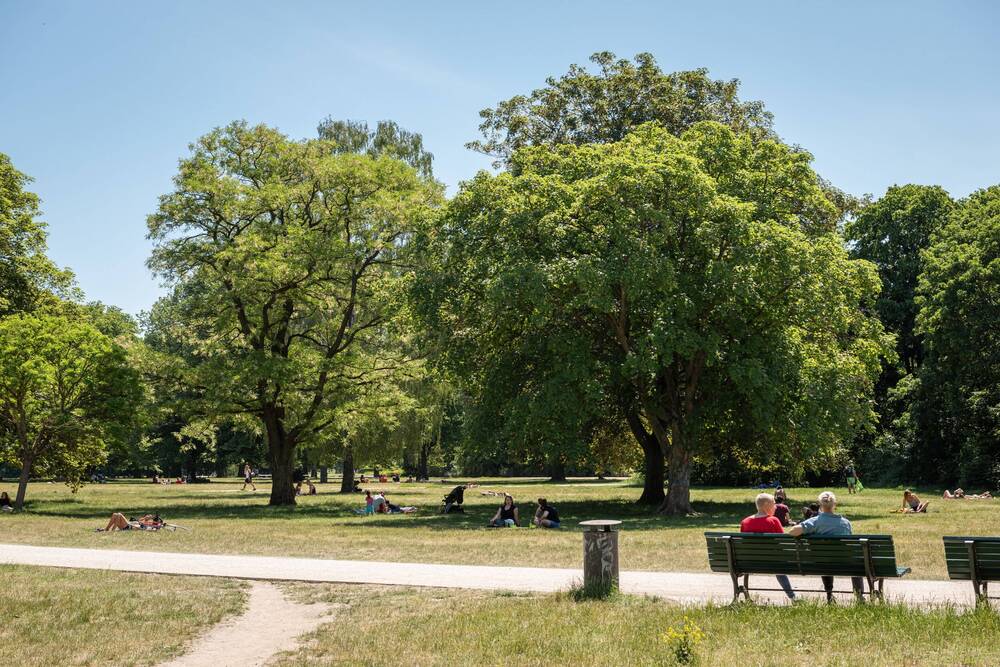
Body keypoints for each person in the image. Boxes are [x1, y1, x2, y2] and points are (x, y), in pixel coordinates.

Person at [787, 491, 864, 601]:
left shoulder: (815, 521)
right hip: (844, 563)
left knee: (824, 558)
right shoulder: (846, 523)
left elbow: (792, 531)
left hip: (822, 563)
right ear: (835, 504)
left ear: (820, 505)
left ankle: (829, 594)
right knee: (855, 564)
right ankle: (859, 596)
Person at [740, 493, 795, 600]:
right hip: (773, 562)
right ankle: (792, 597)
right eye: (773, 504)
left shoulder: (745, 522)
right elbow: (782, 541)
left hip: (750, 562)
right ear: (766, 505)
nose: (776, 507)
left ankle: (745, 597)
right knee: (779, 567)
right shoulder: (773, 521)